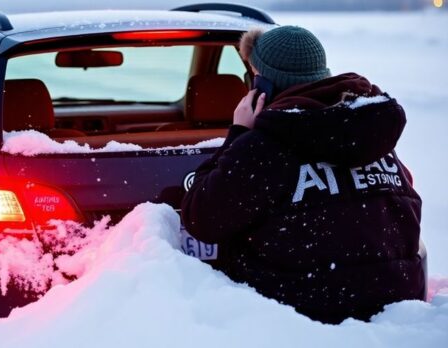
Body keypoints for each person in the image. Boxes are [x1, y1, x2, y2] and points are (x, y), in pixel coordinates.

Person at [181, 26, 424, 323]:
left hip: (304, 320)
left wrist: (239, 134)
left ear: (264, 85)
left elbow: (201, 219)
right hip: (396, 313)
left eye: (252, 76)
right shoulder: (372, 133)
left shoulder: (265, 146)